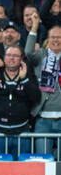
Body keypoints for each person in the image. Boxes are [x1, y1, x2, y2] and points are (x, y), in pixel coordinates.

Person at [0, 46, 41, 160]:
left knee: (22, 171)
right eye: (9, 55)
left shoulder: (28, 75)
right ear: (4, 57)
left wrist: (24, 80)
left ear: (21, 59)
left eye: (15, 55)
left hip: (22, 132)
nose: (11, 58)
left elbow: (36, 98)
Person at [25, 23, 61, 156]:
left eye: (59, 37)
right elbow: (28, 52)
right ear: (48, 39)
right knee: (43, 161)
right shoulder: (42, 55)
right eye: (53, 37)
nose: (56, 40)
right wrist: (34, 28)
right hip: (43, 121)